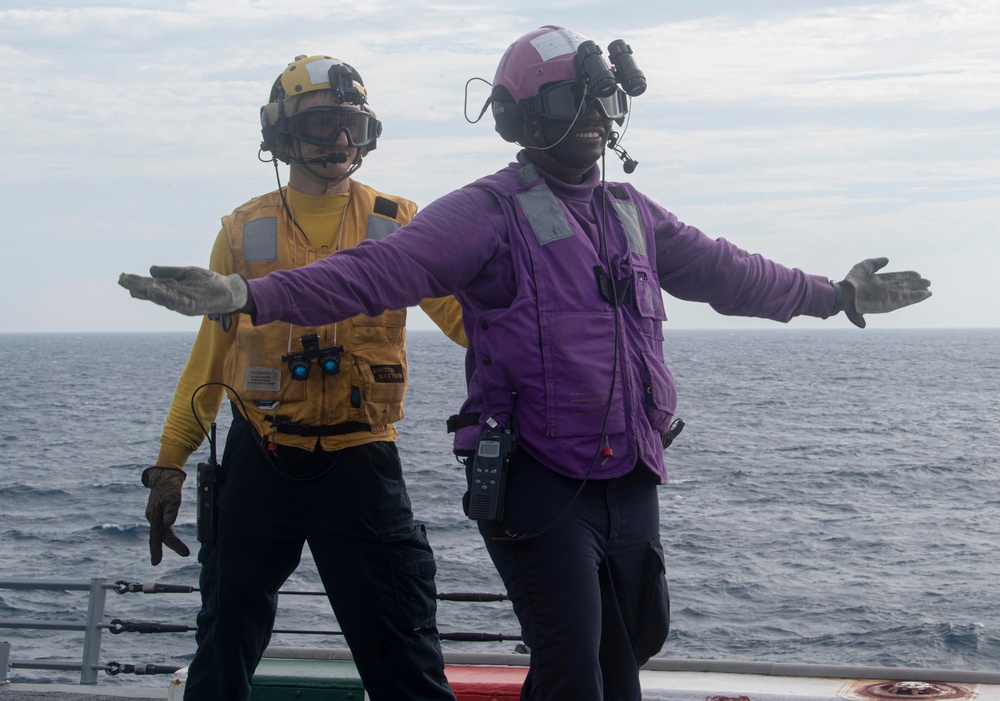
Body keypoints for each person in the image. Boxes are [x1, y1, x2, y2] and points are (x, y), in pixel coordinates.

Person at [121, 27, 931, 701]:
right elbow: (372, 277)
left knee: (624, 653)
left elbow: (731, 272)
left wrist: (837, 295)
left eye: (597, 100)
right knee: (568, 665)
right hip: (516, 475)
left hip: (619, 471)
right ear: (519, 118)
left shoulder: (631, 215)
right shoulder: (479, 214)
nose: (588, 116)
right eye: (563, 101)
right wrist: (242, 297)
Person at [136, 54, 464, 701]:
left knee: (403, 650)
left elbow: (467, 318)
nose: (339, 141)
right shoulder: (241, 231)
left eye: (350, 126)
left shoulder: (400, 222)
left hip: (361, 464)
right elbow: (210, 357)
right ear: (281, 135)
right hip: (261, 458)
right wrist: (170, 464)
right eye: (322, 126)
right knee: (224, 635)